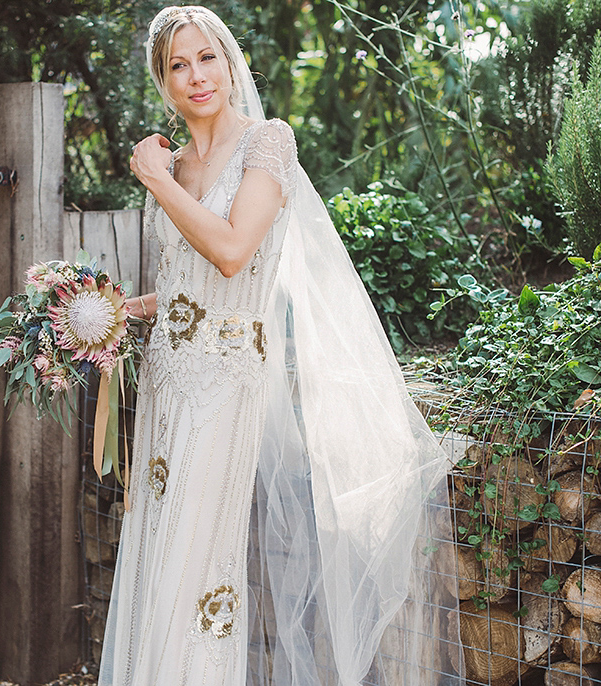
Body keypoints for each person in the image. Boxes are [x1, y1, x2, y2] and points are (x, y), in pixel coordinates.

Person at [102, 6, 460, 685]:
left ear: (230, 61)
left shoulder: (268, 142)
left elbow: (235, 252)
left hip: (225, 387)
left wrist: (154, 180)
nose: (196, 75)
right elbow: (188, 285)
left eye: (206, 57)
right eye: (178, 65)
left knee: (197, 559)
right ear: (163, 81)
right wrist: (115, 313)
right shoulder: (175, 163)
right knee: (157, 551)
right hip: (165, 386)